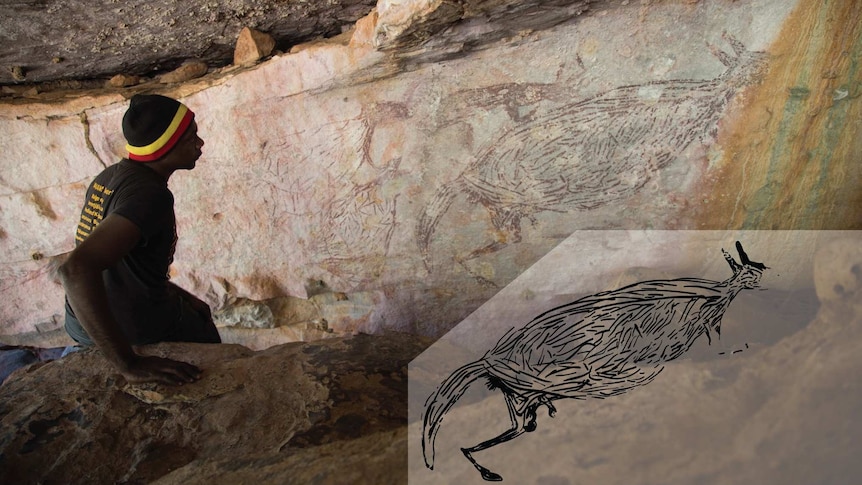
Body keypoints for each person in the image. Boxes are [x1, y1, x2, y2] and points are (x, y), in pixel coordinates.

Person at [60, 94, 221, 386]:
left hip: (79, 324)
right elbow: (75, 269)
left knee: (195, 310)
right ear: (166, 147)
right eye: (191, 138)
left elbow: (125, 264)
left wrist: (181, 295)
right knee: (204, 336)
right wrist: (128, 364)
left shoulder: (109, 177)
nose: (200, 144)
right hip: (129, 328)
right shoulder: (151, 196)